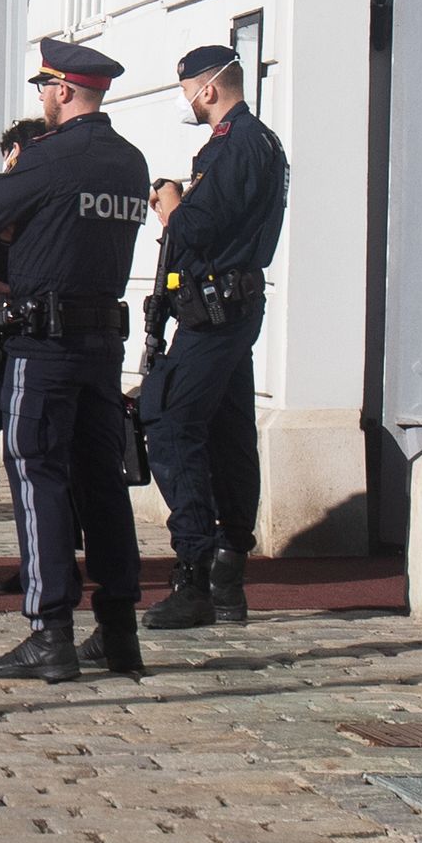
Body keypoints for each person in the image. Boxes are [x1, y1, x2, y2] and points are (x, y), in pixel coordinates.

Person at [0, 38, 157, 685]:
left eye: (45, 87)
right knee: (102, 481)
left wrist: (16, 182)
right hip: (102, 344)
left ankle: (50, 630)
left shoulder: (49, 156)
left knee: (36, 471)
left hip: (44, 344)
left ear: (64, 90)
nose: (42, 97)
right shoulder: (130, 161)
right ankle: (119, 629)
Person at [139, 44, 290, 630]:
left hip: (217, 309)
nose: (187, 103)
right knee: (228, 432)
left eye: (187, 92)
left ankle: (195, 572)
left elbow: (199, 229)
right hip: (223, 306)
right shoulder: (252, 142)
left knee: (170, 420)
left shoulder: (239, 143)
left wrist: (173, 204)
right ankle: (227, 573)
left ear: (209, 89)